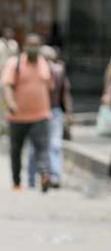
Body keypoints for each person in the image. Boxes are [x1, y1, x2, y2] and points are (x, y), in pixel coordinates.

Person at [1, 33, 54, 192]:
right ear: (24, 47)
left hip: (41, 115)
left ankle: (45, 175)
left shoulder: (44, 63)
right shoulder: (14, 63)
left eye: (36, 45)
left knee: (42, 149)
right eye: (30, 45)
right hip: (18, 116)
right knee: (16, 151)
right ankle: (16, 181)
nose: (33, 48)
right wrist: (10, 102)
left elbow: (50, 87)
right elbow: (6, 85)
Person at [29, 46, 71, 189]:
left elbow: (64, 93)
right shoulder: (37, 71)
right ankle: (39, 176)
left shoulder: (56, 71)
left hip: (51, 111)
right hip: (41, 111)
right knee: (46, 145)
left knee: (52, 145)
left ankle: (52, 176)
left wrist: (68, 114)